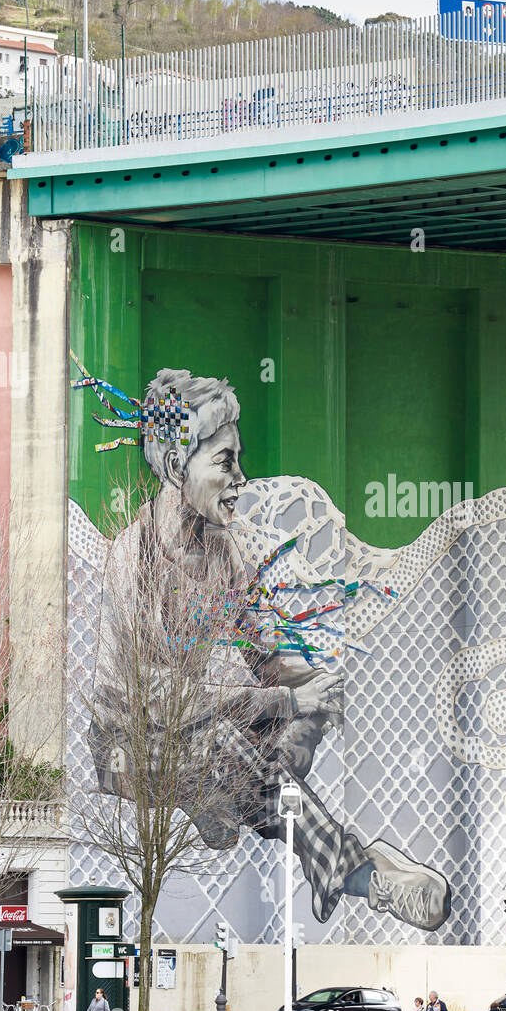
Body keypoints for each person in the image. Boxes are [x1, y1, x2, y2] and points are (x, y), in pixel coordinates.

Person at [86, 368, 451, 935]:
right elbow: (159, 699)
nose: (240, 478)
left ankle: (245, 807)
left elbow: (263, 654)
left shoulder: (221, 556)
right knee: (233, 739)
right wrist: (282, 700)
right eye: (225, 462)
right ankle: (355, 873)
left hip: (196, 734)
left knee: (285, 721)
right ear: (179, 467)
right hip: (127, 747)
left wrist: (312, 695)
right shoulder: (133, 559)